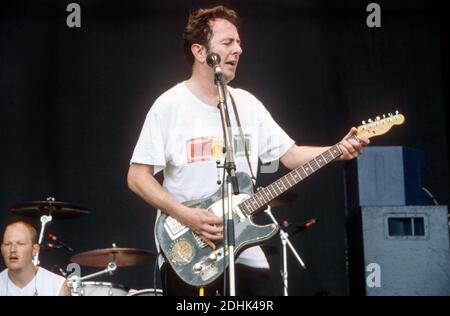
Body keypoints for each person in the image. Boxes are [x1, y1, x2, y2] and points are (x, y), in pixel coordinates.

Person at [127, 5, 369, 296]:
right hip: (190, 249)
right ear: (200, 52)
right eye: (227, 43)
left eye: (239, 43)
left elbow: (291, 156)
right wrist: (185, 215)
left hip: (243, 244)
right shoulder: (169, 106)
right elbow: (137, 176)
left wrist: (337, 149)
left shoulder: (247, 105)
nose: (238, 50)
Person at [0, 221, 69, 296]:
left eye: (20, 244)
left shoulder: (57, 286)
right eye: (7, 244)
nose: (12, 250)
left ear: (35, 250)